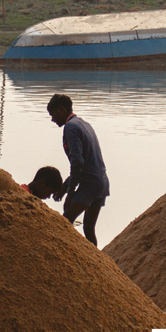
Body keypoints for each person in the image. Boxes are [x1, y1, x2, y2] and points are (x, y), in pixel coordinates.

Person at [47, 94, 110, 247]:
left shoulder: (71, 128)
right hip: (101, 182)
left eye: (53, 114)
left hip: (89, 185)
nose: (52, 119)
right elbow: (86, 163)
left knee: (64, 223)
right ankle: (98, 265)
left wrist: (70, 193)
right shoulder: (84, 124)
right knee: (88, 228)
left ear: (61, 110)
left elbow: (78, 163)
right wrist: (65, 187)